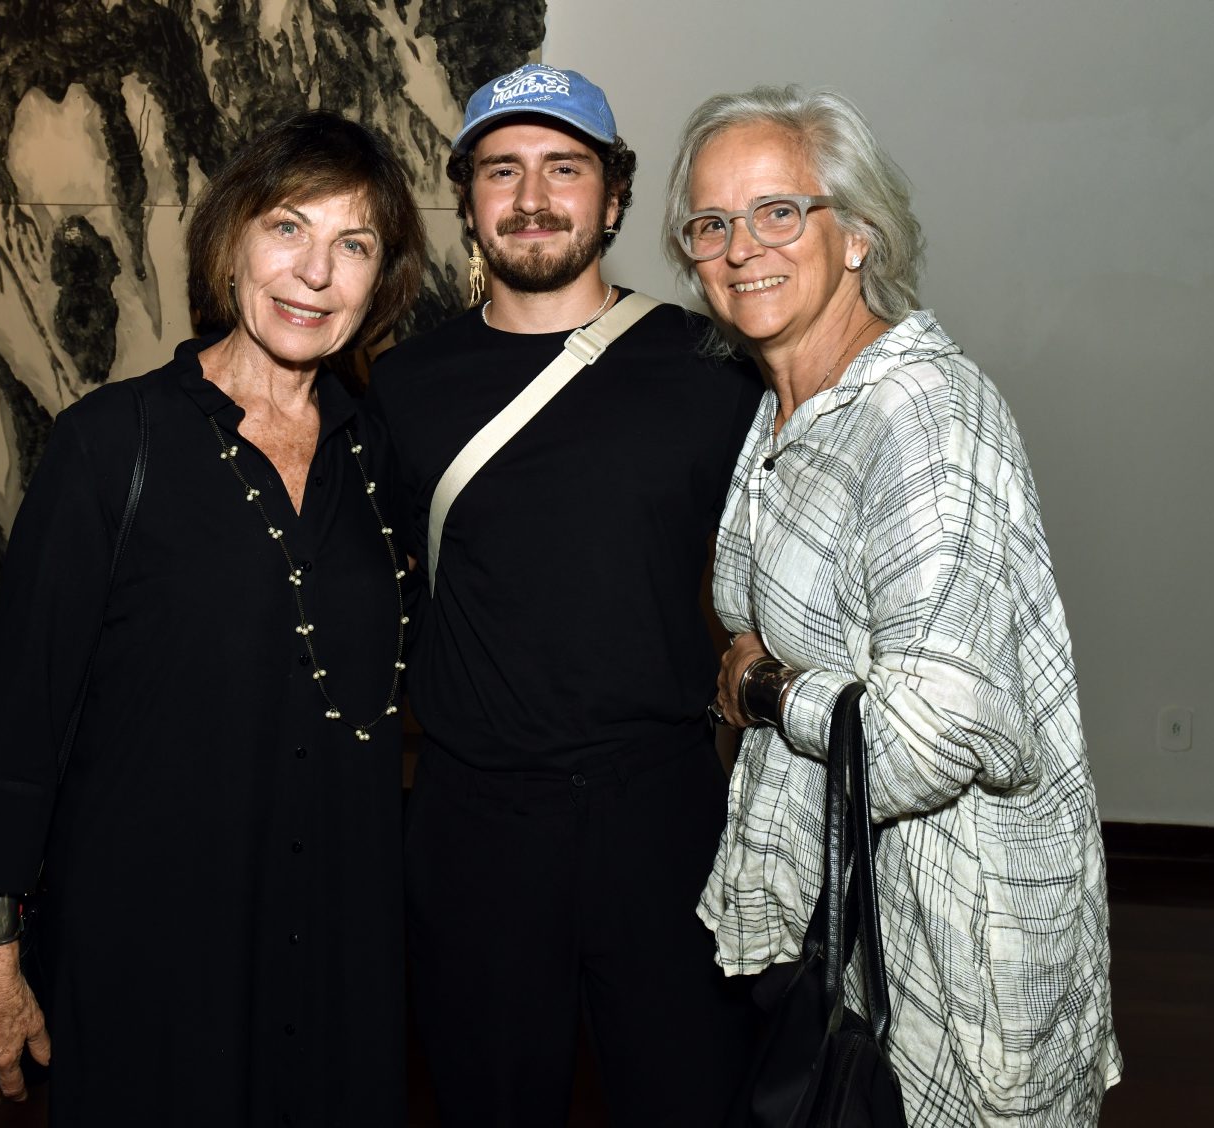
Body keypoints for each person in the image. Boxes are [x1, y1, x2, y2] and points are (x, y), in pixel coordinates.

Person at [0, 110, 426, 1126]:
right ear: (232, 238)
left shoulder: (381, 456)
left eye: (353, 245)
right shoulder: (112, 448)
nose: (314, 273)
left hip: (337, 959)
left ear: (380, 283)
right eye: (288, 228)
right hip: (152, 958)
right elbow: (21, 720)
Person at [666, 86, 1123, 1123]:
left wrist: (765, 683)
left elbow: (929, 735)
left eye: (778, 211)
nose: (742, 247)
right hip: (847, 926)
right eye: (710, 224)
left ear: (857, 234)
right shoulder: (786, 401)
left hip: (953, 939)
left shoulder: (918, 415)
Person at [366, 63, 760, 1127]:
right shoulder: (402, 385)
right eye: (502, 169)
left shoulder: (709, 369)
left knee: (687, 1097)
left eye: (563, 168)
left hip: (662, 810)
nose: (531, 198)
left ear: (614, 196)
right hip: (475, 818)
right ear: (466, 197)